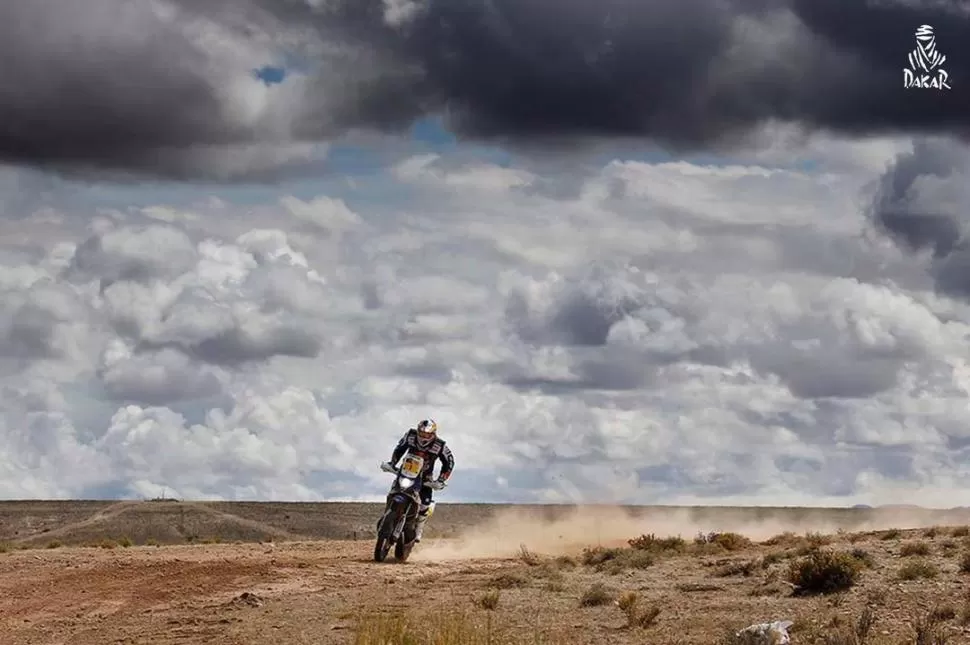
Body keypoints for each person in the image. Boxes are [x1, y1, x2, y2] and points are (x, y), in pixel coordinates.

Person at [382, 418, 454, 542]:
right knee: (393, 491)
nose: (424, 436)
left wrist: (441, 480)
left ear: (433, 434)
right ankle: (389, 514)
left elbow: (449, 462)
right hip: (406, 473)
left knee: (425, 503)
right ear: (418, 431)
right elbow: (400, 448)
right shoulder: (410, 435)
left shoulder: (440, 445)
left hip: (425, 477)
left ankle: (419, 528)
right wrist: (392, 463)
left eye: (427, 434)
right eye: (422, 433)